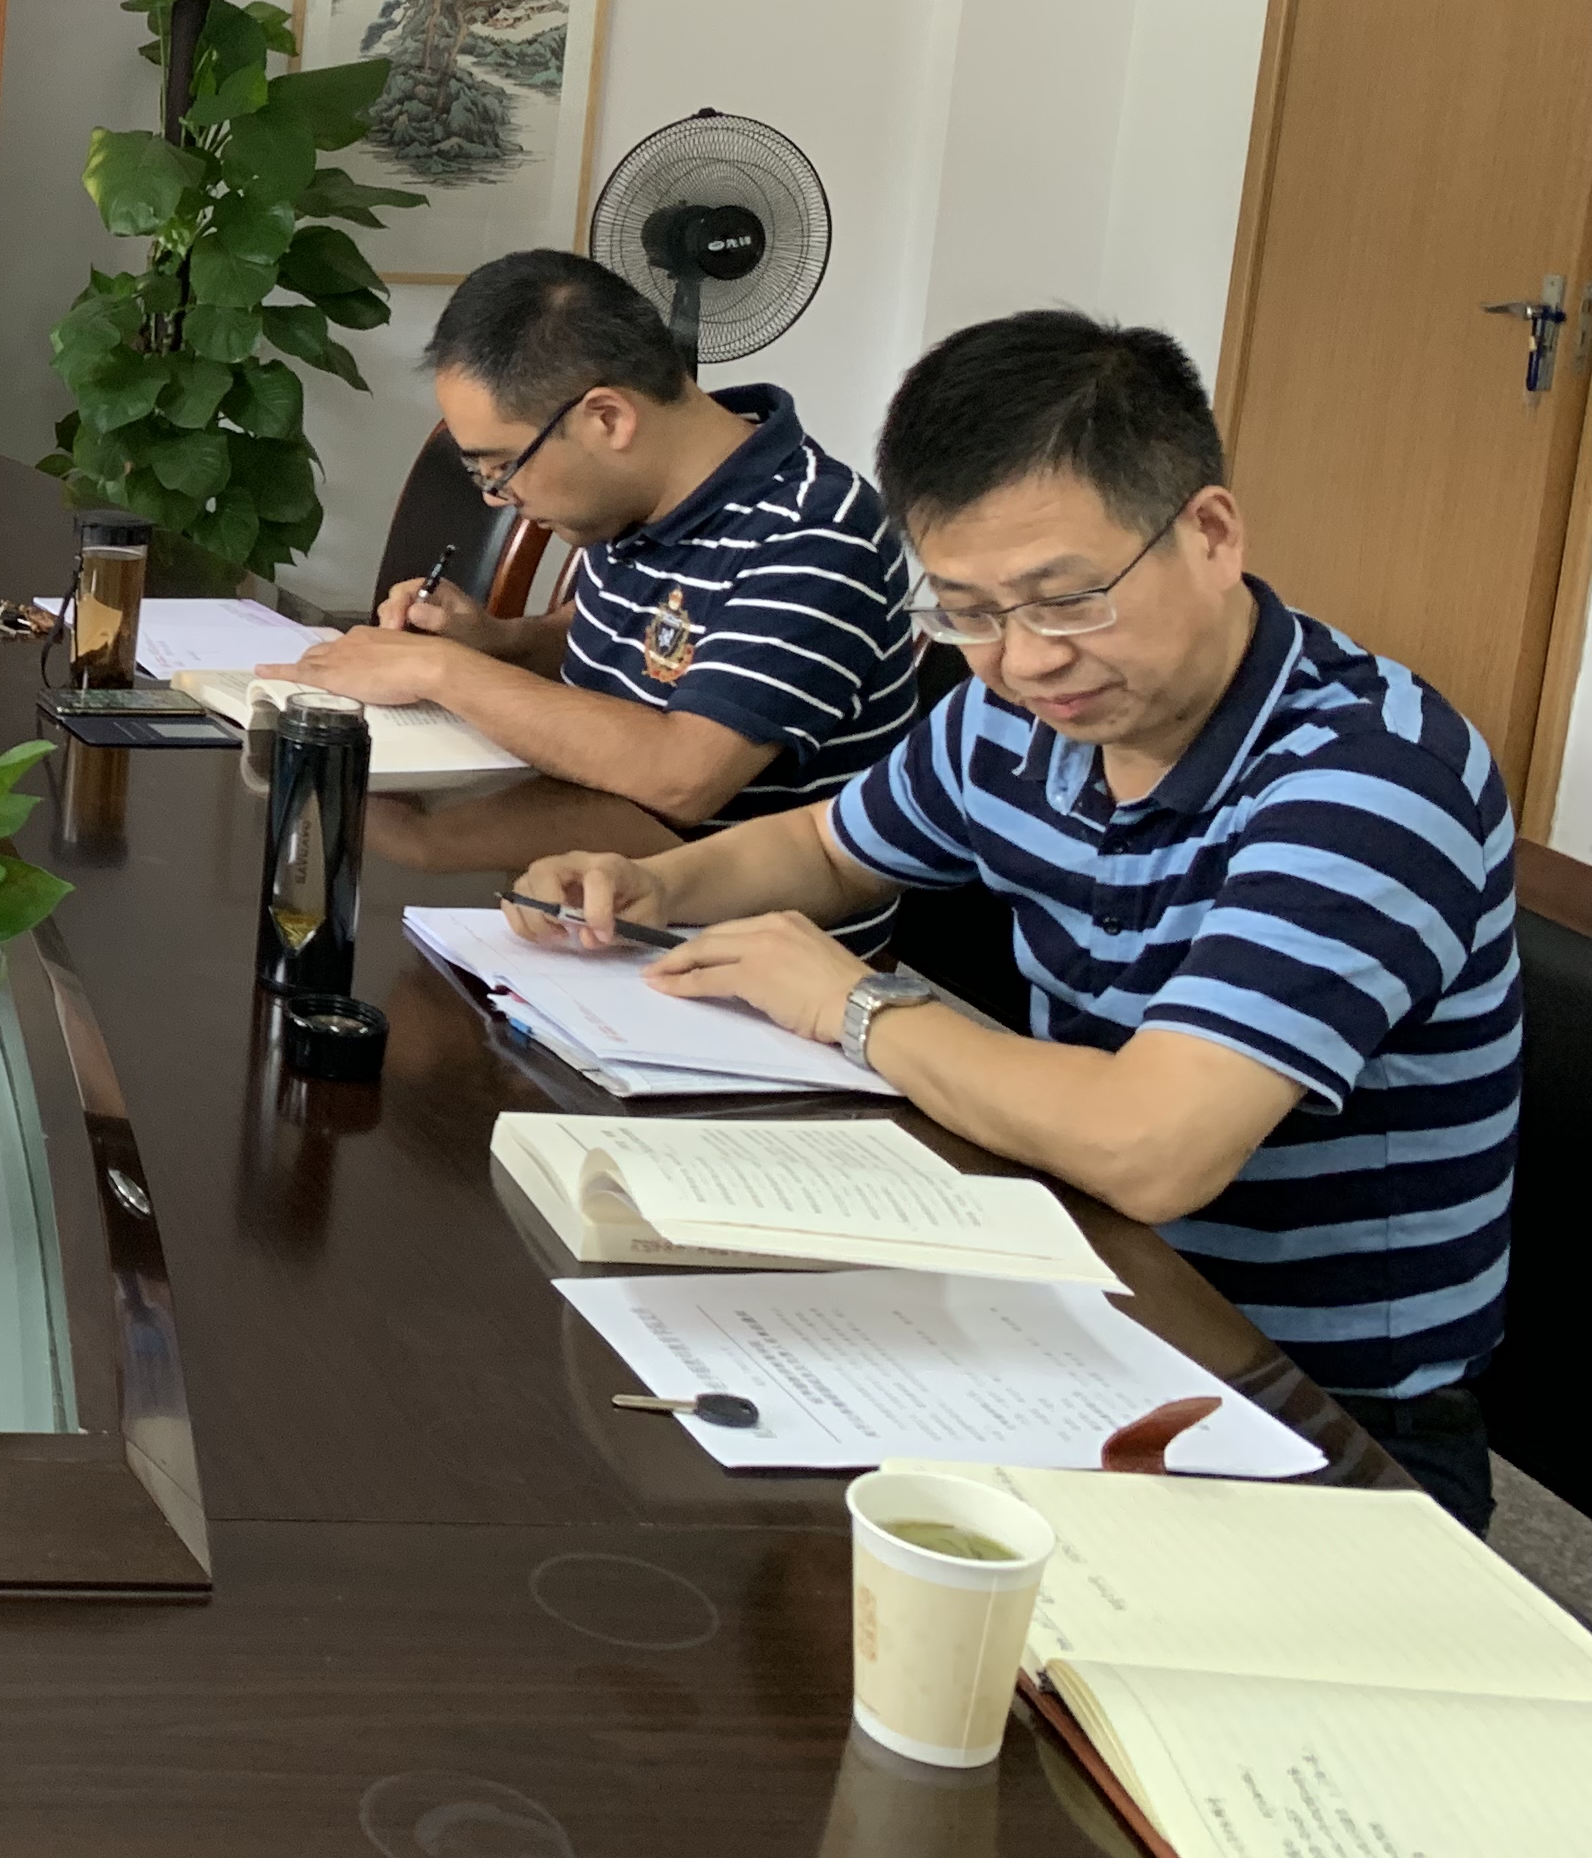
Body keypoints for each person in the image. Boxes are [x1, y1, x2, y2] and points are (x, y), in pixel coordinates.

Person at [510, 311, 1521, 1525]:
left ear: (1210, 533)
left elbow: (1154, 1147)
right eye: (969, 612)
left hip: (1315, 1407)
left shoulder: (1368, 781)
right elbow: (828, 846)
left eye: (1066, 599)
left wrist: (857, 1008)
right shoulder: (1020, 714)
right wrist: (656, 885)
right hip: (1079, 1295)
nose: (1025, 660)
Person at [293, 249, 922, 833]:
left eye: (502, 466)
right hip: (585, 857)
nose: (494, 497)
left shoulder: (815, 530)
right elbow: (634, 646)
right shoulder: (644, 498)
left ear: (607, 419)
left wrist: (438, 670)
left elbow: (683, 777)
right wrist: (498, 642)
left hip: (715, 907)